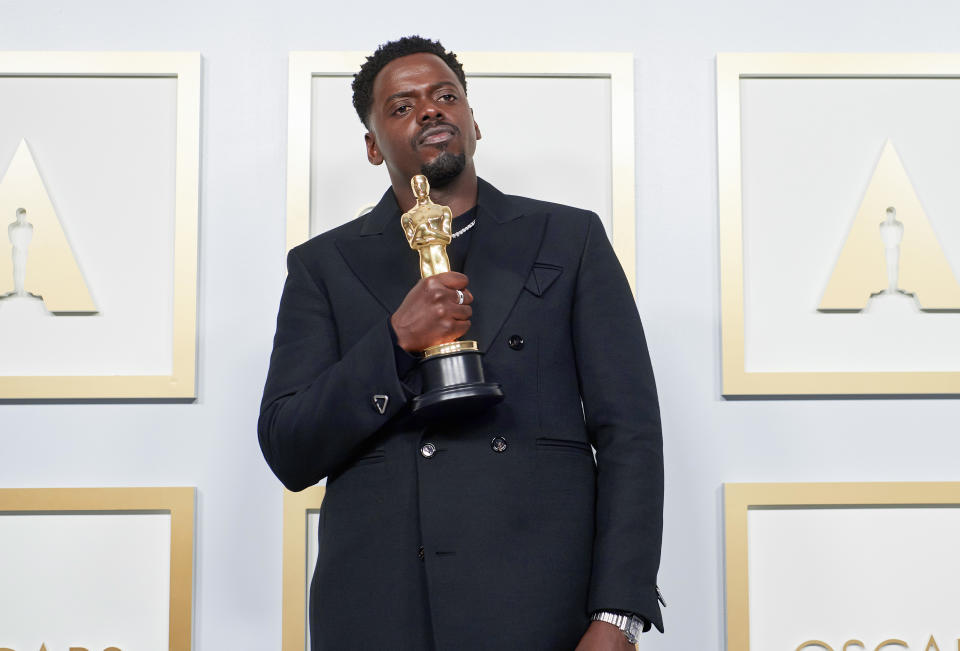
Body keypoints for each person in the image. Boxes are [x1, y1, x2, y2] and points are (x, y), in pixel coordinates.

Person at [259, 36, 664, 650]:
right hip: (382, 610)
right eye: (402, 106)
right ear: (372, 146)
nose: (429, 110)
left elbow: (629, 432)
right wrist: (396, 340)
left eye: (446, 96)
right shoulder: (323, 266)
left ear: (474, 121)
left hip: (541, 606)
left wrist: (618, 614)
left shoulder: (569, 238)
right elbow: (289, 448)